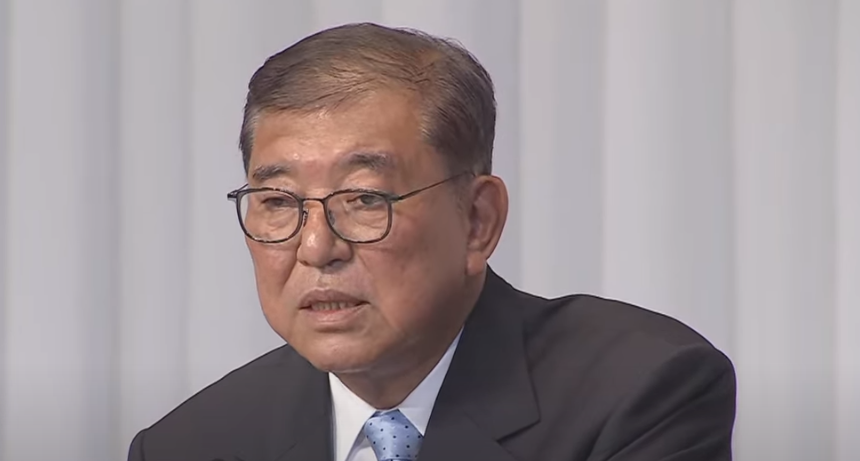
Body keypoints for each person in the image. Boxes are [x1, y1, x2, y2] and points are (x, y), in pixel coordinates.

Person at [127, 22, 736, 461]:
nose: (316, 247)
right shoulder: (191, 444)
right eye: (280, 202)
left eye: (364, 199)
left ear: (477, 221)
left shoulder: (637, 394)